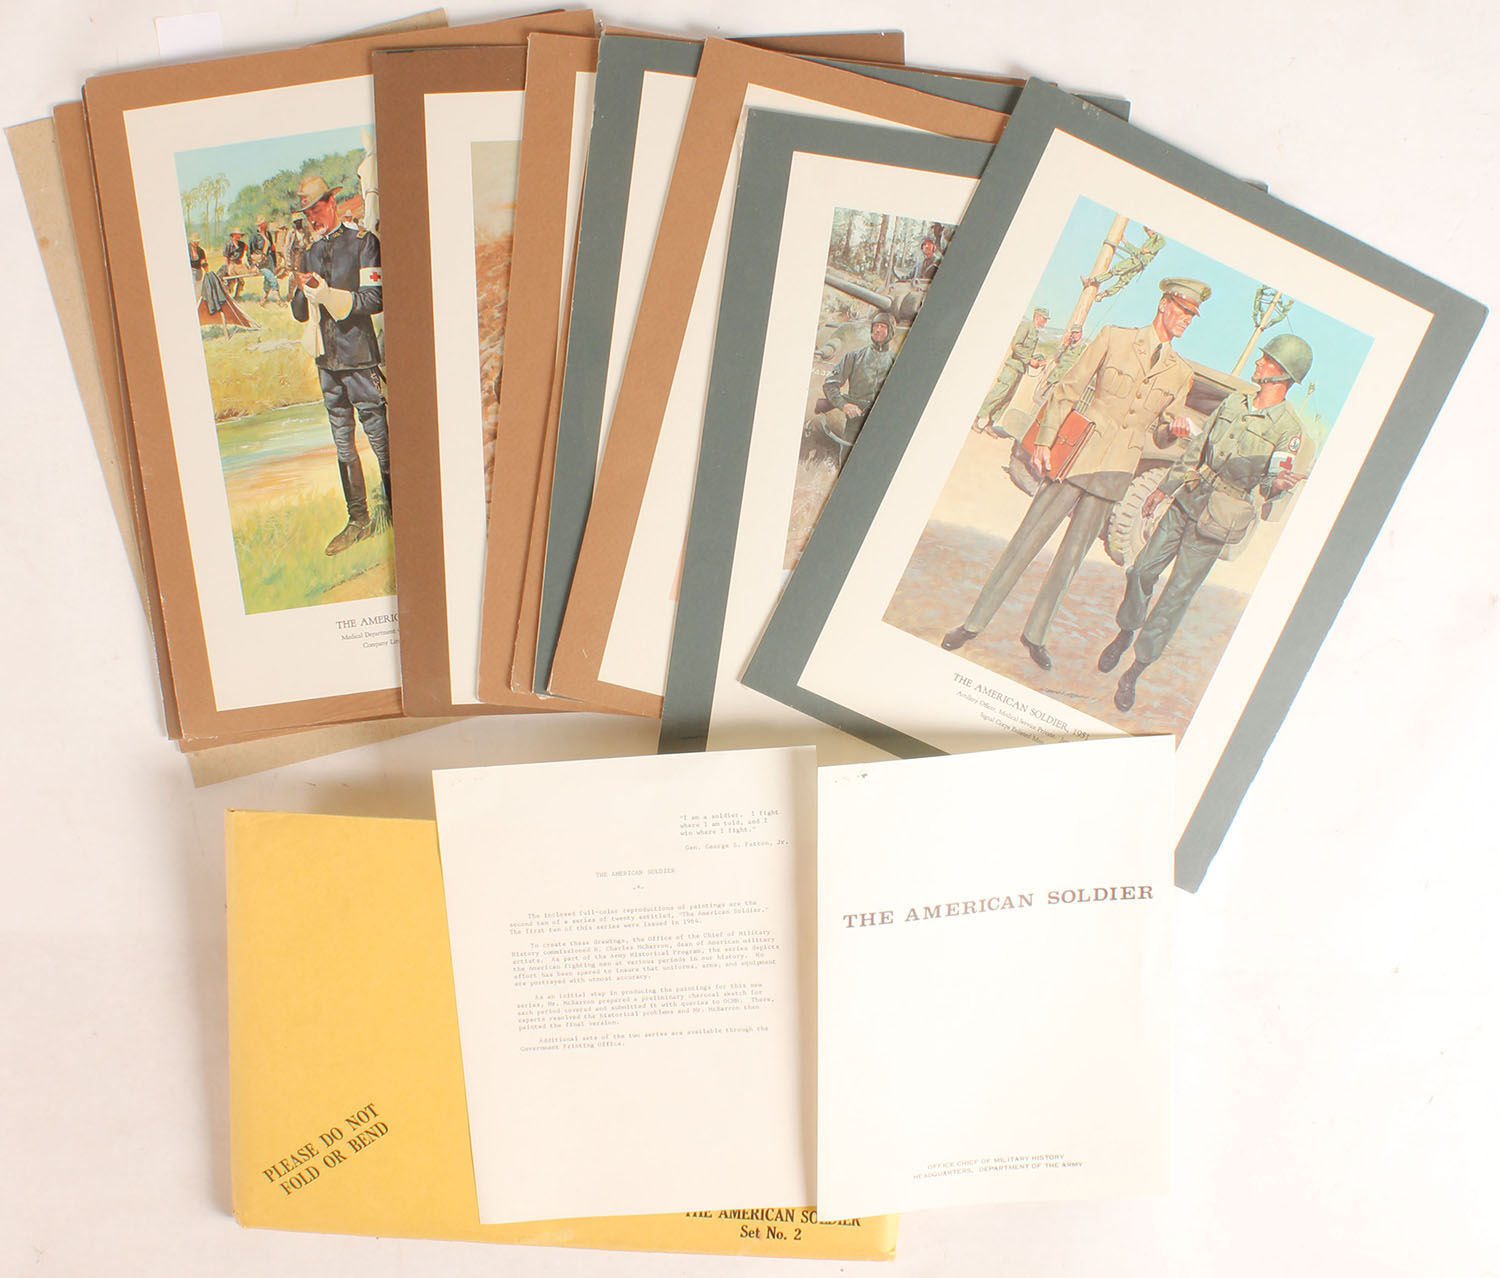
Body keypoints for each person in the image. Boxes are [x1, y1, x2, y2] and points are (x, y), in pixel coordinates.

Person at [941, 278, 1210, 669]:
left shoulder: (1180, 373)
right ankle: (973, 624)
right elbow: (1068, 388)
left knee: (1070, 560)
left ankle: (1036, 635)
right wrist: (1045, 441)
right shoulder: (1115, 338)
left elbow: (1159, 433)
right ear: (1164, 304)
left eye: (1192, 315)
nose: (1187, 319)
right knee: (1026, 541)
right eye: (1183, 310)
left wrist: (1174, 431)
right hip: (1077, 458)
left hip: (1116, 472)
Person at [1099, 332, 1313, 710]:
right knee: (1142, 570)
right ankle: (1125, 631)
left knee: (1176, 595)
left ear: (1283, 374)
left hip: (1219, 516)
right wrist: (1164, 488)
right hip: (1188, 498)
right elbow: (1197, 450)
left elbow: (1270, 485)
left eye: (1267, 359)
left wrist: (1278, 486)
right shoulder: (1234, 402)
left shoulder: (1287, 430)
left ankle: (1136, 669)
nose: (1259, 361)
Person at [289, 173, 389, 556]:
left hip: (359, 357)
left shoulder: (363, 243)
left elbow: (374, 300)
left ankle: (399, 511)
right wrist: (303, 290)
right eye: (307, 213)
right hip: (327, 362)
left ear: (332, 202)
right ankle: (358, 521)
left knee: (379, 437)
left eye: (316, 209)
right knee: (342, 442)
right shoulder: (309, 253)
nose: (313, 218)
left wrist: (329, 295)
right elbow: (300, 313)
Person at [803, 310, 897, 465]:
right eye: (876, 326)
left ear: (891, 332)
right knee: (847, 463)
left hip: (882, 423)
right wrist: (844, 405)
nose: (878, 330)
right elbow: (830, 384)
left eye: (883, 327)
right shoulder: (854, 356)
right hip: (854, 421)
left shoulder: (895, 361)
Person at [974, 306, 1048, 436]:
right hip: (1012, 368)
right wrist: (1029, 360)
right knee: (998, 394)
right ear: (1037, 316)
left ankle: (990, 424)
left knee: (1007, 399)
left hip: (1019, 369)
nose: (1045, 322)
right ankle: (975, 418)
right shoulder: (1026, 326)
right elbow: (1016, 345)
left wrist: (1037, 360)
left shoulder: (1034, 331)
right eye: (1044, 319)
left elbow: (1026, 350)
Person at [1084, 227, 1165, 299]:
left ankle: (1091, 281)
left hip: (1136, 261)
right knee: (1123, 281)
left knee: (1115, 270)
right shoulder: (1150, 241)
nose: (1148, 232)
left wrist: (1149, 250)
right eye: (1147, 230)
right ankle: (1102, 295)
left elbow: (1162, 242)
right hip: (1139, 265)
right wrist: (1125, 241)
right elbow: (1138, 251)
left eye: (1148, 230)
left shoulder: (1156, 237)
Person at [249, 214, 280, 303]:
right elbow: (250, 252)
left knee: (267, 280)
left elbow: (272, 249)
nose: (262, 225)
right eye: (261, 223)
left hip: (269, 260)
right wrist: (253, 265)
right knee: (272, 279)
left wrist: (275, 263)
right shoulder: (254, 236)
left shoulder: (268, 234)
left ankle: (263, 299)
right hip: (260, 262)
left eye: (263, 223)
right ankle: (278, 299)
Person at [222, 228, 248, 297]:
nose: (238, 236)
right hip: (231, 264)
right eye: (236, 235)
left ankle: (237, 296)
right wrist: (228, 267)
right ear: (233, 235)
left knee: (241, 281)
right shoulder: (229, 245)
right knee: (231, 281)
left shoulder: (242, 244)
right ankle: (227, 297)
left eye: (239, 235)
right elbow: (226, 257)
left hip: (239, 264)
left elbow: (248, 250)